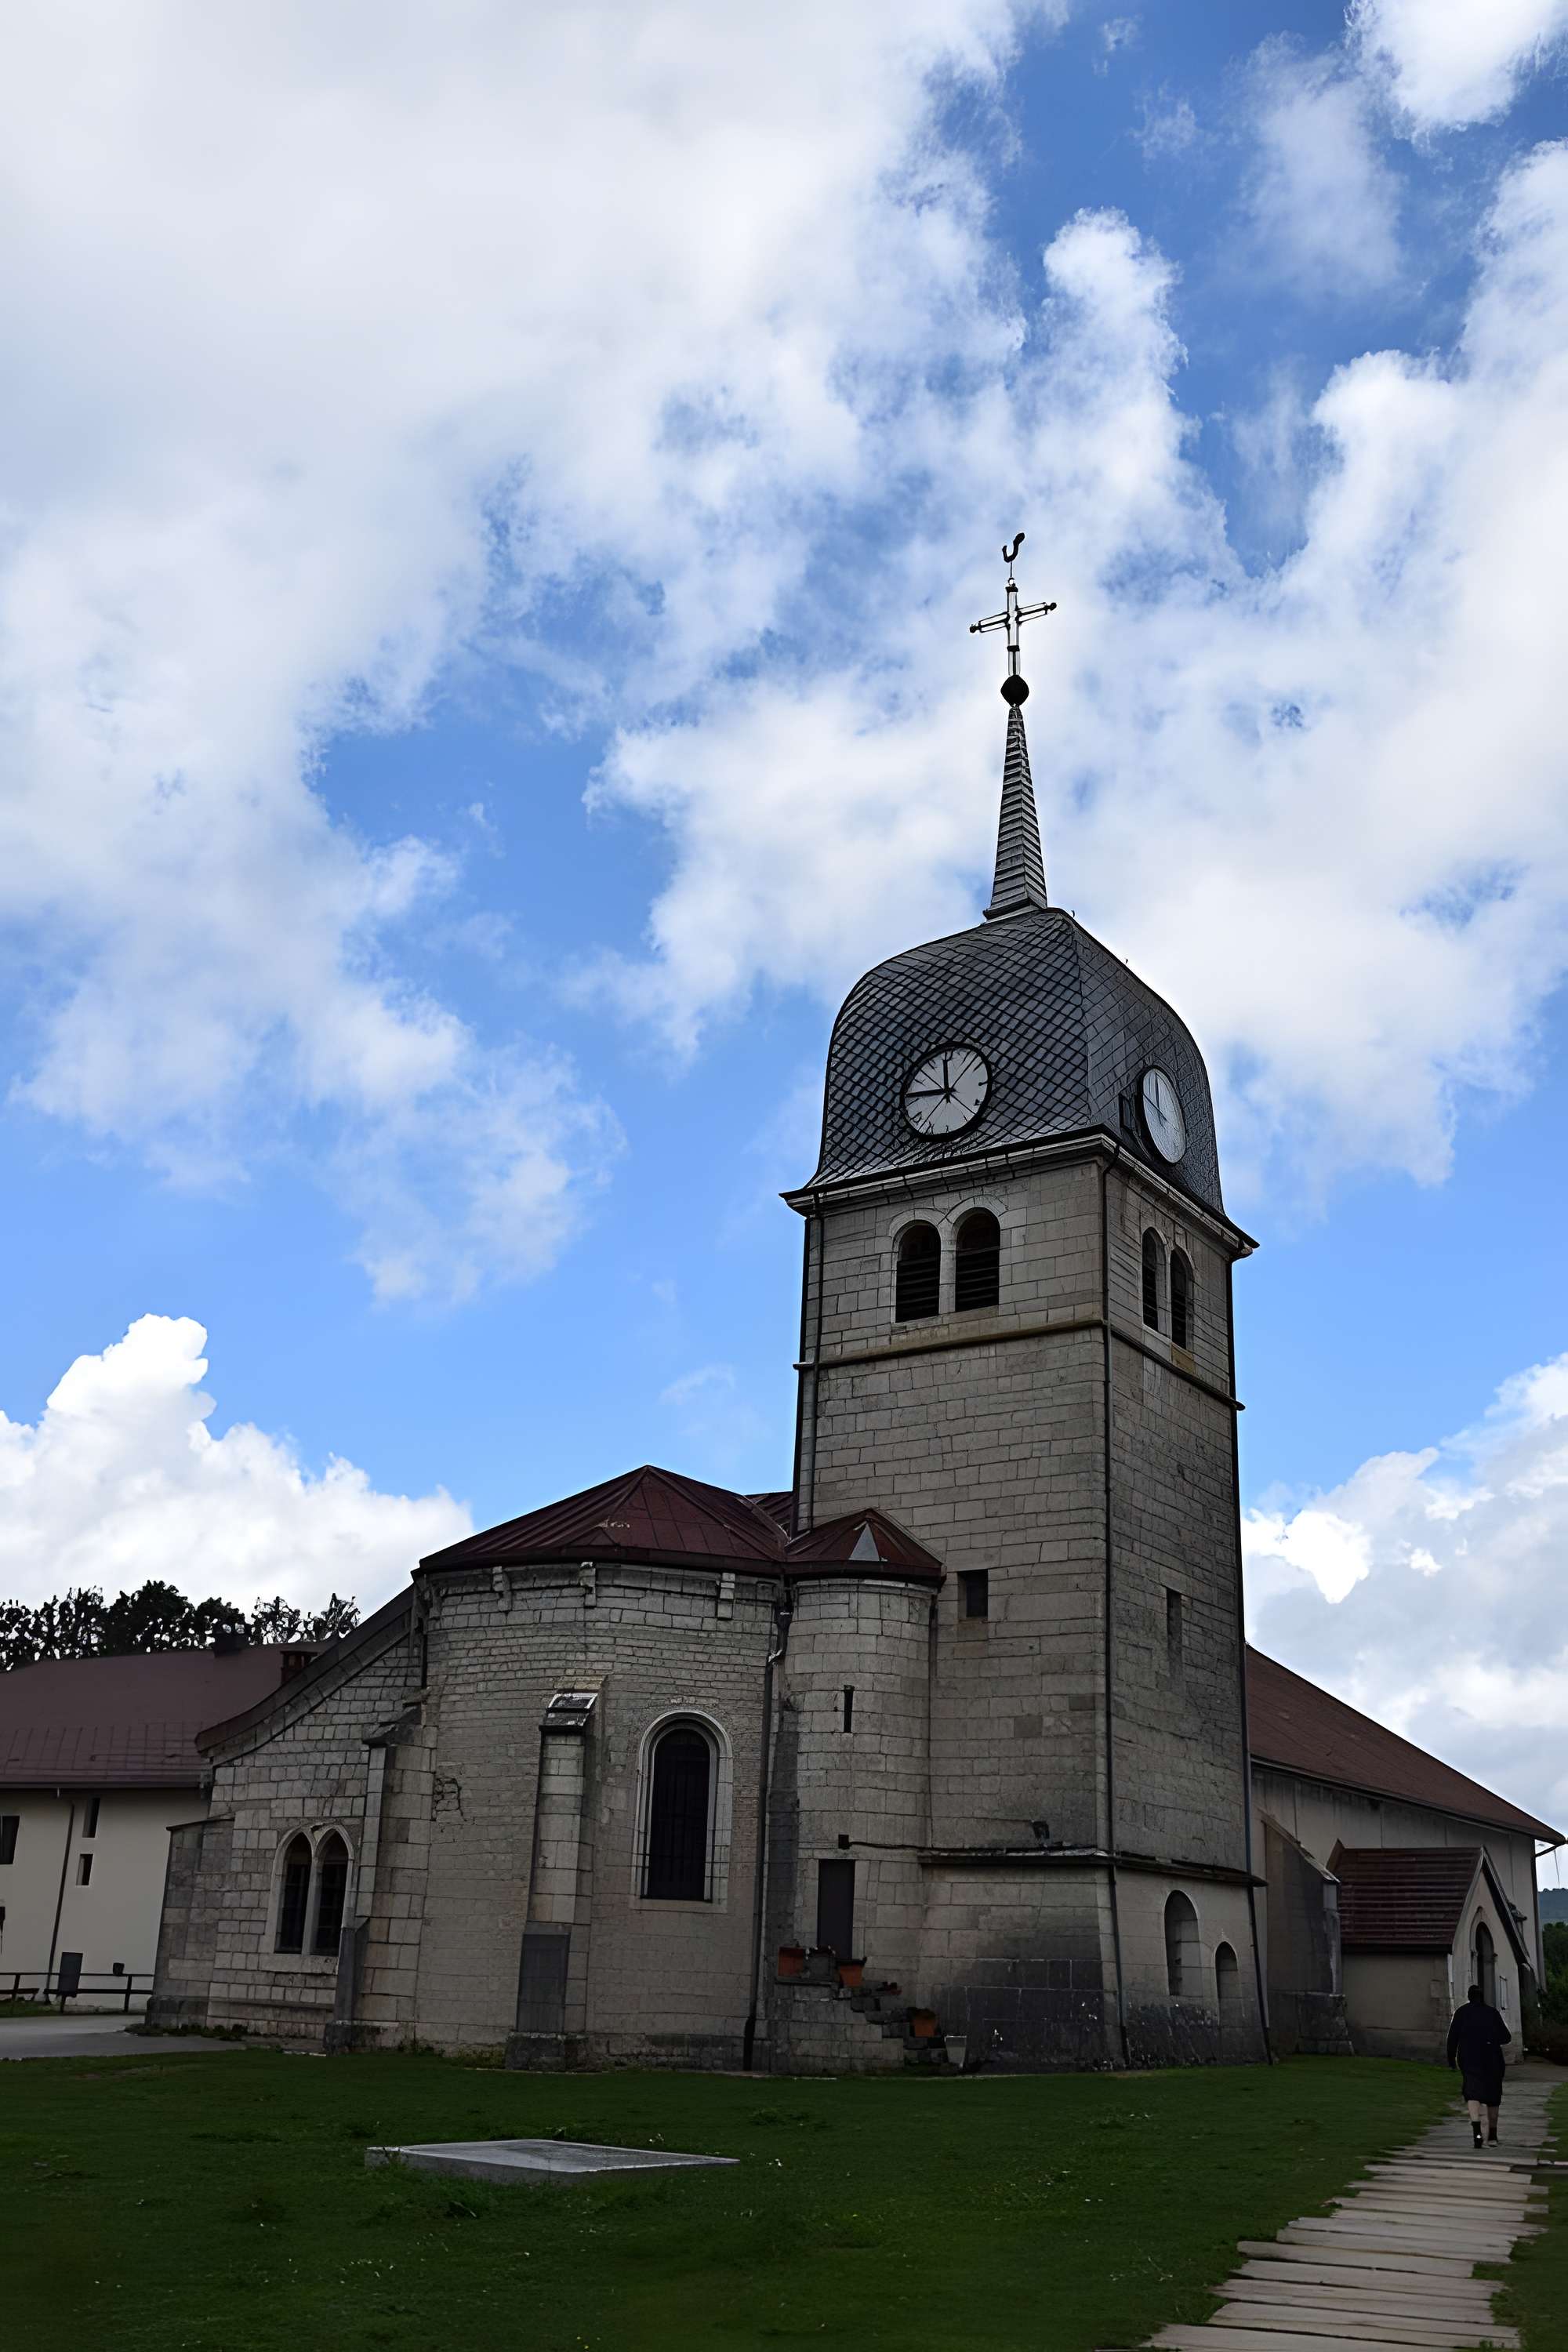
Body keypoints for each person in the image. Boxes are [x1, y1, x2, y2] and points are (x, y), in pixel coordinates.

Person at [1446, 1983, 1511, 2148]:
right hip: (1492, 2060)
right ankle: (1493, 2136)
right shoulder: (1492, 2013)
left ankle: (1477, 2132)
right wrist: (1491, 2038)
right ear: (1483, 1998)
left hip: (1469, 2059)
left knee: (1472, 2093)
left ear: (1469, 1997)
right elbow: (1506, 2037)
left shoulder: (1461, 2013)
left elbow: (1452, 2038)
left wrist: (1451, 2060)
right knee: (1493, 2098)